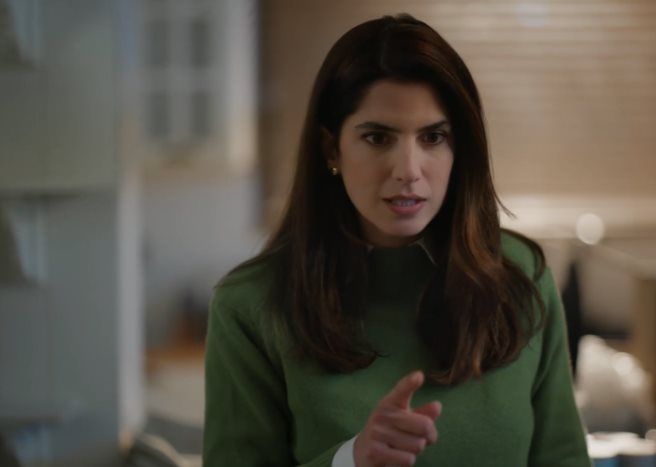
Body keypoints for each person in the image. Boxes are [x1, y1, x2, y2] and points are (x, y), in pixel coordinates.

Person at [203, 13, 590, 467]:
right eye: (378, 138)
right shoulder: (250, 304)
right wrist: (352, 460)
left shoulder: (521, 276)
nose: (408, 170)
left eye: (433, 137)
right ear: (331, 149)